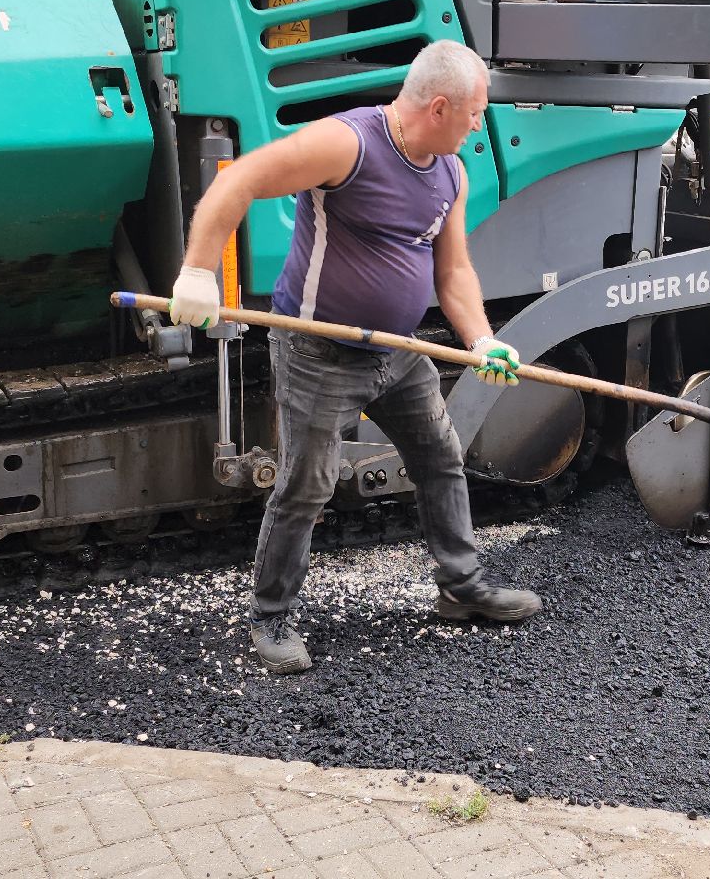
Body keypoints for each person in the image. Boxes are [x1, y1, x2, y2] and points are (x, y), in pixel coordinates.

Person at [167, 40, 544, 675]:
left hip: (398, 354)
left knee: (440, 457)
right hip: (318, 352)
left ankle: (461, 587)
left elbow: (452, 272)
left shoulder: (450, 171)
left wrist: (480, 339)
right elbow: (243, 180)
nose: (481, 126)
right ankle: (272, 616)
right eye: (475, 113)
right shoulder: (349, 145)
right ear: (441, 106)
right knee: (307, 484)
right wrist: (199, 272)